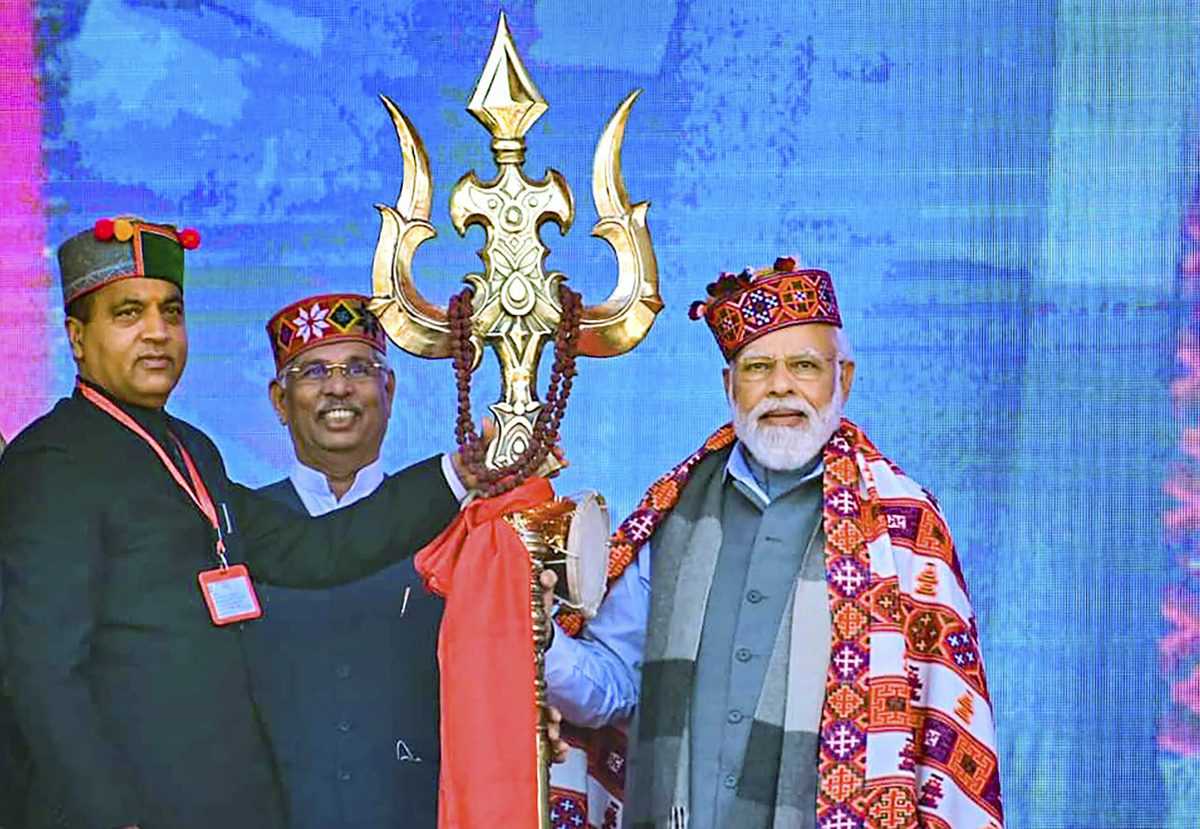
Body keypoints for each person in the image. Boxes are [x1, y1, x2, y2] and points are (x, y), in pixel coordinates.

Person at [0, 217, 468, 829]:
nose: (157, 333)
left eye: (171, 313)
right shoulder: (51, 461)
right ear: (77, 338)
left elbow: (315, 549)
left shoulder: (190, 448)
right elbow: (39, 673)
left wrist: (458, 474)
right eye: (128, 314)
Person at [544, 257, 1004, 829]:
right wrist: (537, 639)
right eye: (758, 367)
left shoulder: (901, 529)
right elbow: (613, 684)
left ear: (844, 379)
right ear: (729, 385)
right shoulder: (669, 516)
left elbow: (943, 724)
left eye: (804, 365)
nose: (781, 386)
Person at [243, 293, 449, 828]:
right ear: (280, 400)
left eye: (359, 368)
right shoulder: (235, 531)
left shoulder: (448, 529)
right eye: (313, 372)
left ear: (390, 390)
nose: (338, 387)